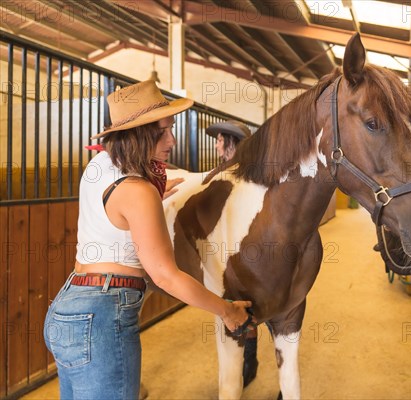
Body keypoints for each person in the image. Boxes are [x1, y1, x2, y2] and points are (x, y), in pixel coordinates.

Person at [43, 80, 255, 400]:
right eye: (161, 132)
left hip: (69, 307)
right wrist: (227, 311)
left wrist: (153, 193)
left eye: (171, 128)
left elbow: (115, 213)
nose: (172, 139)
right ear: (137, 134)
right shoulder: (138, 191)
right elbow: (166, 276)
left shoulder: (99, 166)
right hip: (103, 315)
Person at [206, 118, 258, 387]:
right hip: (234, 255)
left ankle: (247, 361)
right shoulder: (230, 173)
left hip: (238, 256)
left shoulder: (234, 177)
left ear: (230, 142)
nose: (216, 144)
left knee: (241, 307)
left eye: (219, 140)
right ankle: (250, 359)